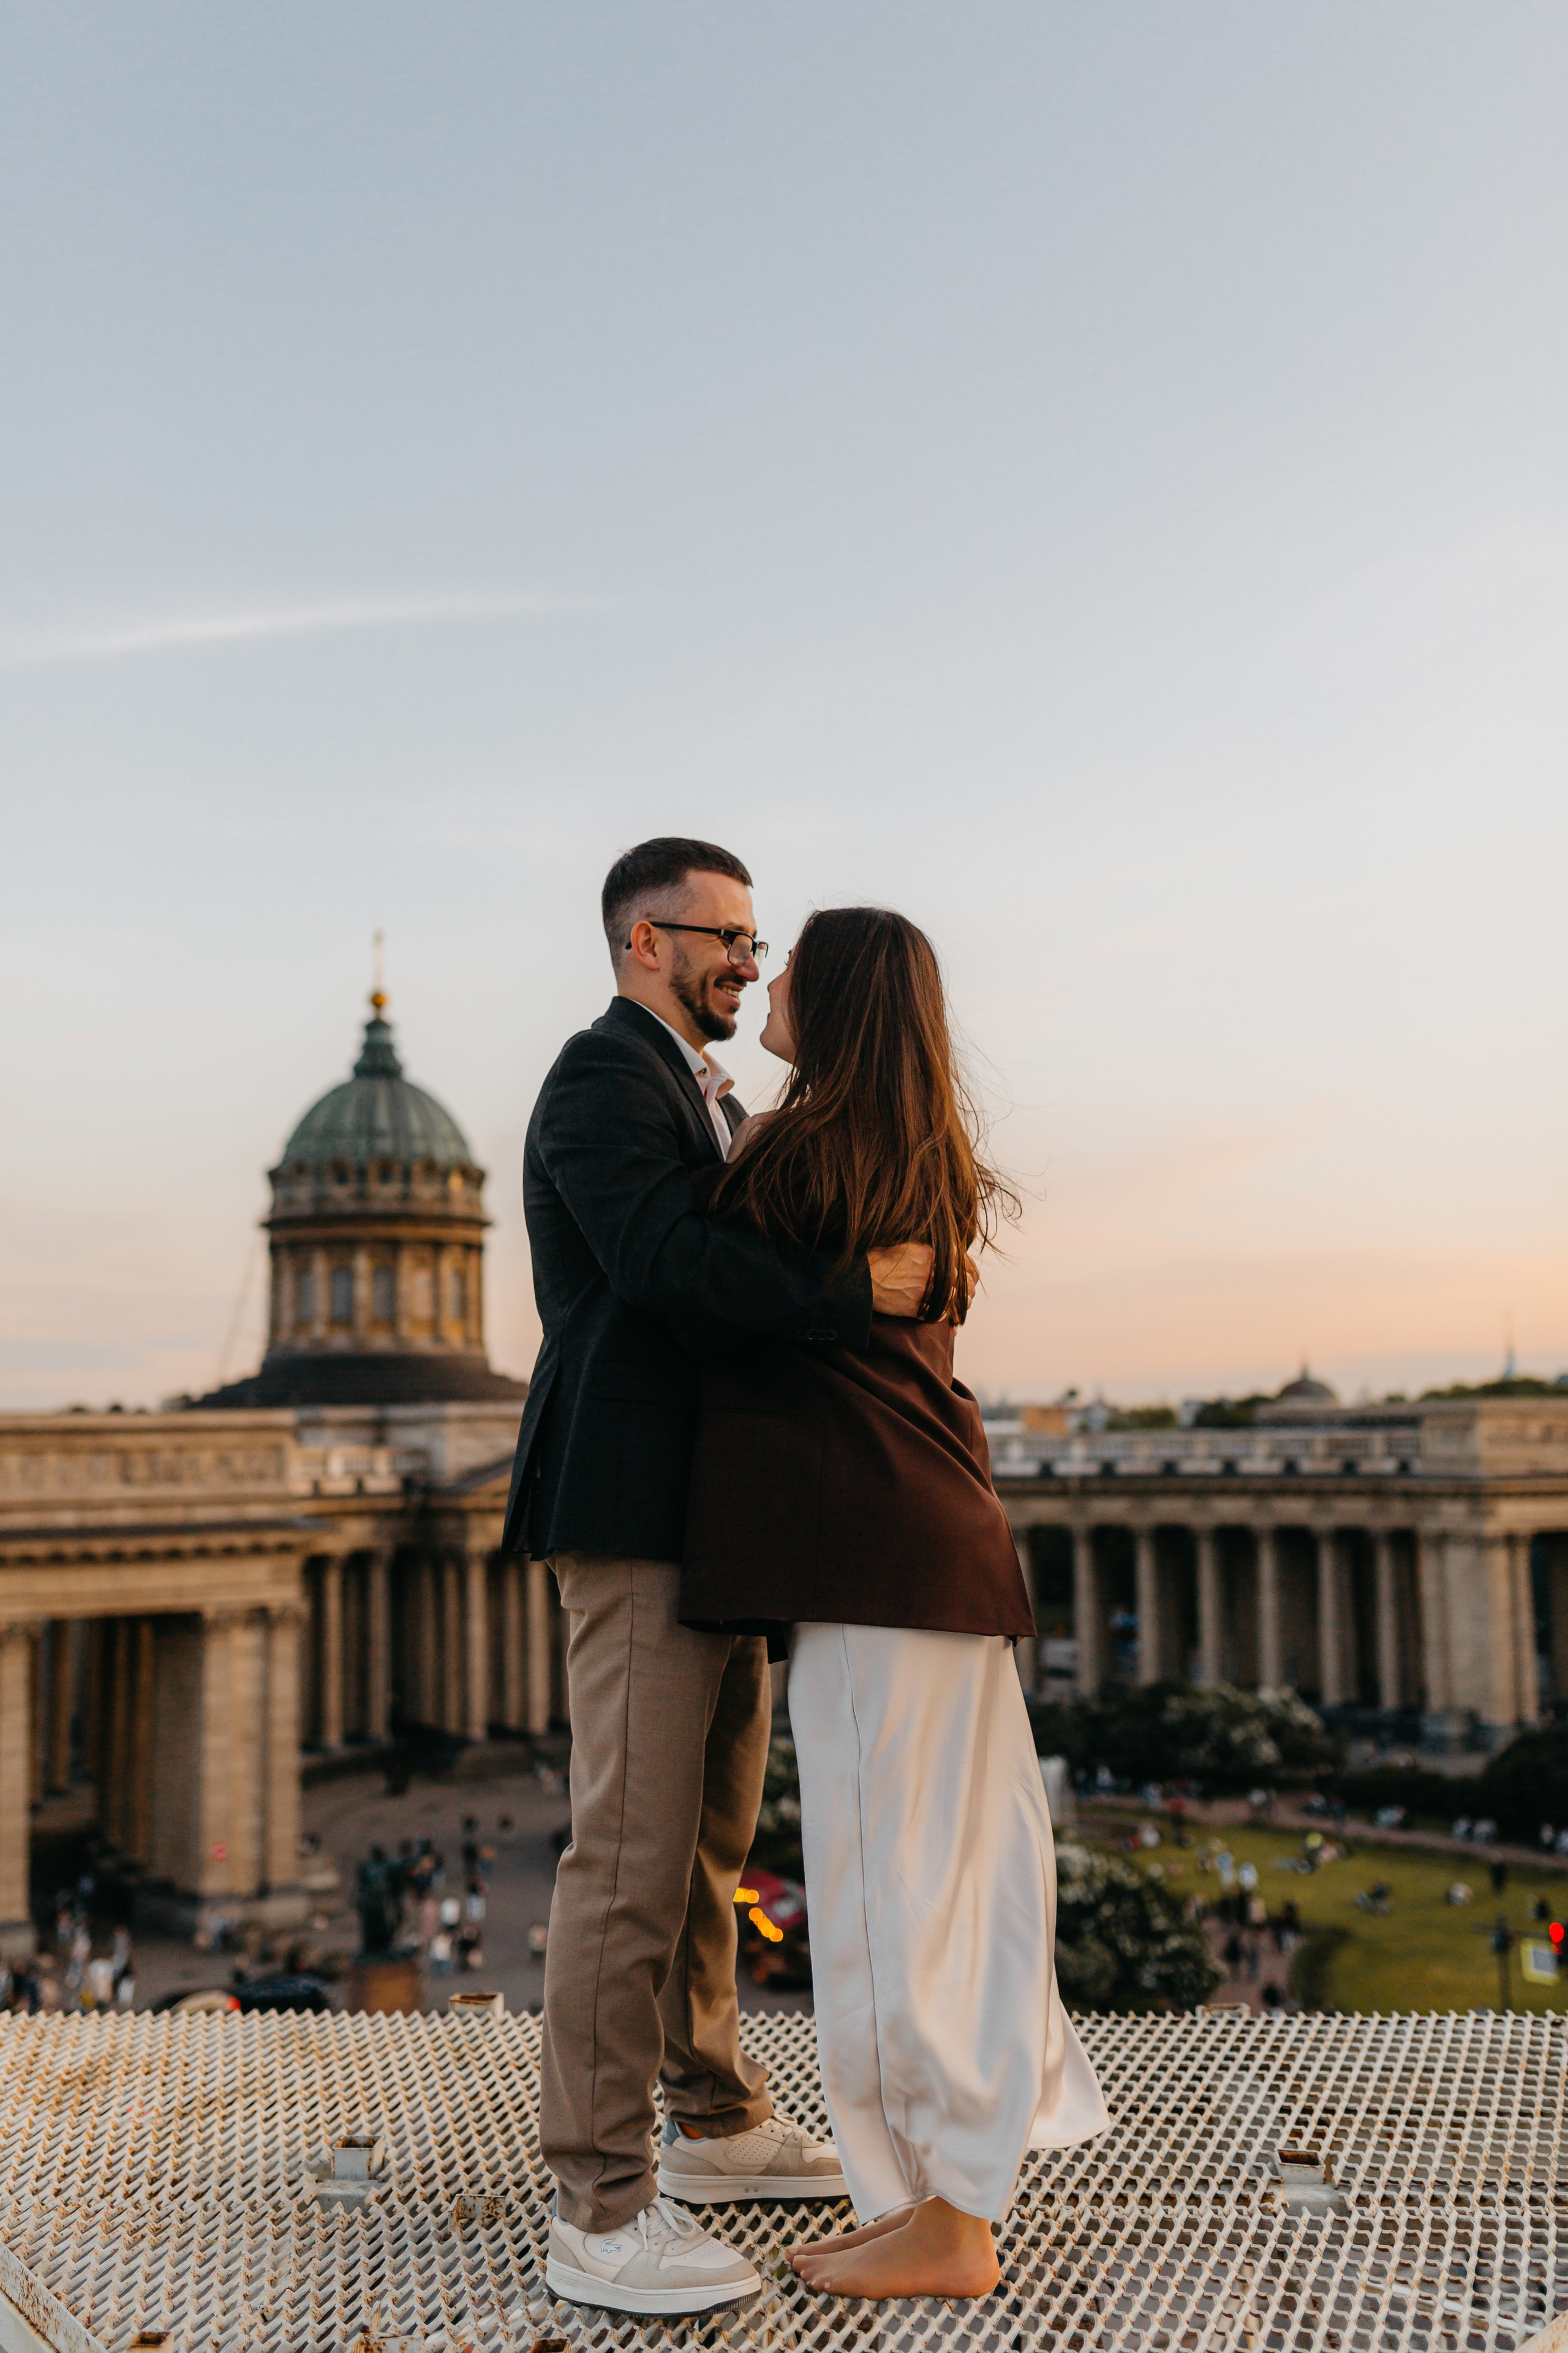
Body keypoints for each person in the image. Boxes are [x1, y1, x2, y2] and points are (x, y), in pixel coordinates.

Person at [500, 839, 935, 2319]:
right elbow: (665, 1260)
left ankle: (709, 2118)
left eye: (757, 941)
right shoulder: (599, 1075)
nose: (752, 963)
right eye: (729, 938)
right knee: (626, 1856)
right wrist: (851, 1289)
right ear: (643, 939)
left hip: (716, 1516)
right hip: (634, 1512)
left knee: (704, 1843)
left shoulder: (700, 1089)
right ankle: (596, 2201)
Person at [678, 907, 1107, 2300]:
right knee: (965, 1875)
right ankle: (937, 2190)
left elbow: (686, 1288)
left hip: (865, 1554)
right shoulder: (904, 1148)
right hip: (937, 1547)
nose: (767, 980)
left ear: (845, 998)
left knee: (883, 1891)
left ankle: (948, 2217)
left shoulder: (795, 1149)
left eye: (792, 963)